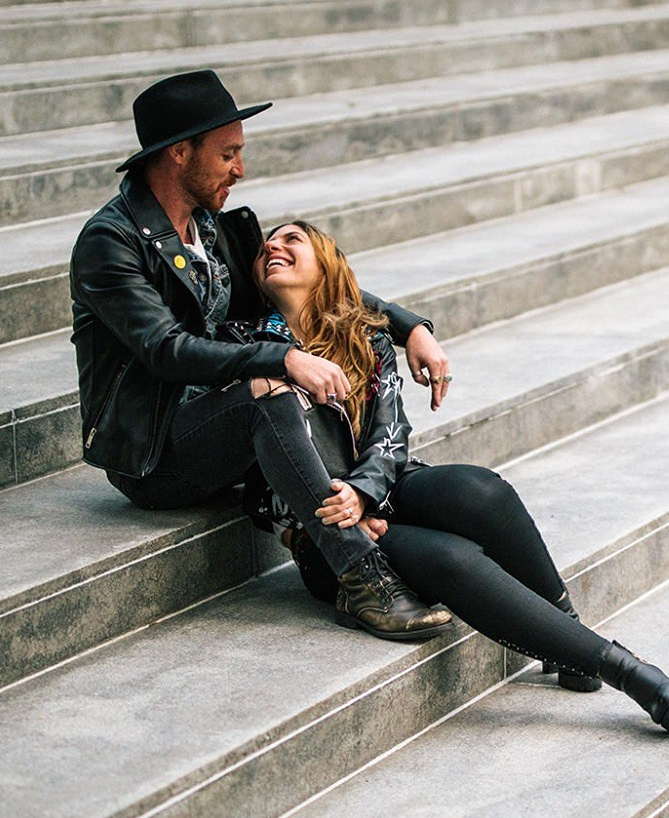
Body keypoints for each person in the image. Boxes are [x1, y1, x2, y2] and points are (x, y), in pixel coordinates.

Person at [254, 218, 669, 735]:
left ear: (328, 266)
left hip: (377, 488)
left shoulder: (365, 337)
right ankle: (629, 672)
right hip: (329, 535)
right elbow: (277, 466)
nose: (273, 246)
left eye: (292, 240)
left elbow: (391, 430)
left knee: (481, 490)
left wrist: (365, 490)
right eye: (268, 242)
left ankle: (569, 637)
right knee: (452, 557)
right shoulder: (253, 348)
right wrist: (345, 509)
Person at [69, 68, 450, 639]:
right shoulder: (111, 242)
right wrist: (280, 359)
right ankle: (359, 575)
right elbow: (165, 350)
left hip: (226, 423)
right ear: (179, 152)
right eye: (227, 154)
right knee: (272, 387)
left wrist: (407, 326)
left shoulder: (211, 227)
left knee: (296, 378)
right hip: (157, 453)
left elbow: (319, 286)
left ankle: (375, 513)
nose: (239, 170)